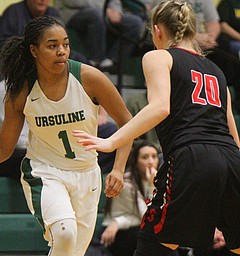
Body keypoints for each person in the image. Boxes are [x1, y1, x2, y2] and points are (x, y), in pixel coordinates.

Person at [0, 16, 132, 256]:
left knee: (71, 251)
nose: (61, 51)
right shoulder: (21, 90)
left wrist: (118, 168)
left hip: (87, 175)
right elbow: (3, 148)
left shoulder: (89, 77)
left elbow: (127, 123)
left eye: (65, 44)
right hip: (45, 172)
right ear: (34, 50)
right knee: (64, 233)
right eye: (52, 46)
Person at [73, 1, 240, 255]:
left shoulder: (158, 56)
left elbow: (160, 107)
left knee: (153, 246)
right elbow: (232, 131)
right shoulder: (216, 70)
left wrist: (111, 141)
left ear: (157, 30)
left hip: (191, 156)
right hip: (231, 159)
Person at [0, 0, 87, 84]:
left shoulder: (53, 13)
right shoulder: (13, 12)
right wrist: (28, 52)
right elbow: (0, 45)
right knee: (5, 65)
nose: (42, 0)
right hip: (19, 58)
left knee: (79, 60)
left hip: (46, 58)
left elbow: (62, 43)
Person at [100, 140, 159, 256]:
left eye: (154, 156)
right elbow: (148, 218)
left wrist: (119, 222)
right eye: (145, 157)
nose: (151, 162)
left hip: (129, 227)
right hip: (117, 235)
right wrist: (152, 186)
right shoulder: (127, 183)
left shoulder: (156, 179)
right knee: (152, 237)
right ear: (136, 161)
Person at [56, 0, 145, 70]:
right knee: (97, 14)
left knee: (135, 22)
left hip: (103, 12)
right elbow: (72, 2)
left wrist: (115, 10)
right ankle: (97, 60)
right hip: (74, 13)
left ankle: (112, 62)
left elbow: (114, 1)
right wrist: (104, 8)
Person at [0, 80, 29, 180]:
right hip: (3, 156)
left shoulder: (44, 89)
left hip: (30, 150)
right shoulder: (3, 90)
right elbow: (15, 140)